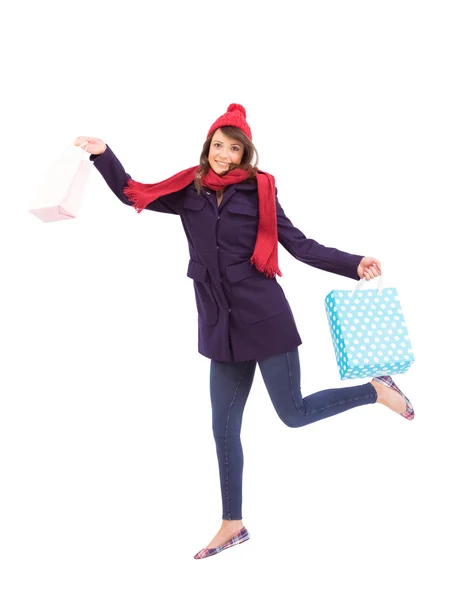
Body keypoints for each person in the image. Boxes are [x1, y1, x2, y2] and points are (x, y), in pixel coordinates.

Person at [74, 103, 414, 560]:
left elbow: (298, 244)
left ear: (244, 153)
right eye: (218, 145)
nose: (223, 154)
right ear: (208, 146)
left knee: (293, 413)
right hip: (219, 323)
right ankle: (233, 523)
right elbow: (134, 193)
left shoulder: (260, 192)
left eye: (233, 148)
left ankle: (375, 390)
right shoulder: (189, 190)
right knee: (222, 426)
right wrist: (103, 154)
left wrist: (352, 264)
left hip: (265, 317)